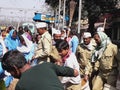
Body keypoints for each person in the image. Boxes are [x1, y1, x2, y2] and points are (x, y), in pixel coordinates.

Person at [1, 50, 79, 90]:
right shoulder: (47, 66)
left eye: (9, 72)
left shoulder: (20, 86)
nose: (10, 74)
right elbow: (75, 72)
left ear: (15, 68)